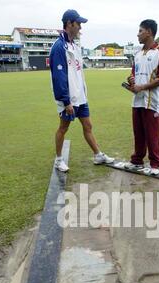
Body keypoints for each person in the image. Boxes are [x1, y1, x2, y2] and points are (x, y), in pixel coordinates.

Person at [50, 9, 114, 172]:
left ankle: (98, 155)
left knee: (88, 125)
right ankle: (58, 160)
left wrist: (82, 94)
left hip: (80, 97)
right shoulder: (59, 47)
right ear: (69, 24)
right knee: (63, 128)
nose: (80, 27)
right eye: (78, 24)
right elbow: (59, 76)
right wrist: (66, 101)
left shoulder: (74, 45)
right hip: (69, 99)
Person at [125, 19, 159, 174]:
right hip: (137, 101)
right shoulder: (137, 54)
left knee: (153, 134)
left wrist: (141, 87)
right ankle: (137, 161)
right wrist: (131, 81)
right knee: (138, 133)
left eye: (140, 31)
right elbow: (133, 74)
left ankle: (155, 164)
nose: (138, 34)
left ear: (149, 32)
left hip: (153, 102)